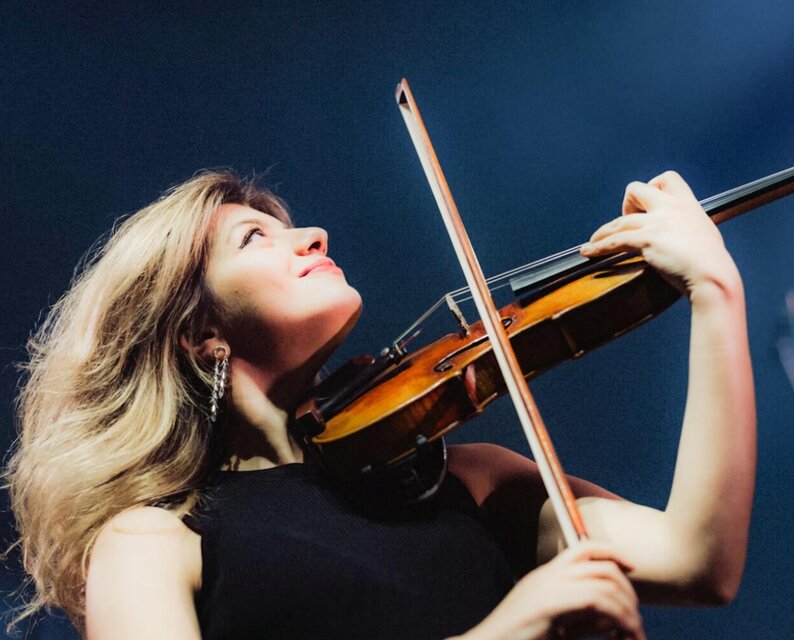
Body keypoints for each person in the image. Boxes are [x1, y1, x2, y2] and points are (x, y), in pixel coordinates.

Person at [4, 168, 755, 639]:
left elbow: (699, 561)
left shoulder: (469, 479)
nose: (312, 235)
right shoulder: (152, 541)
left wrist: (715, 290)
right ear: (203, 335)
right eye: (253, 238)